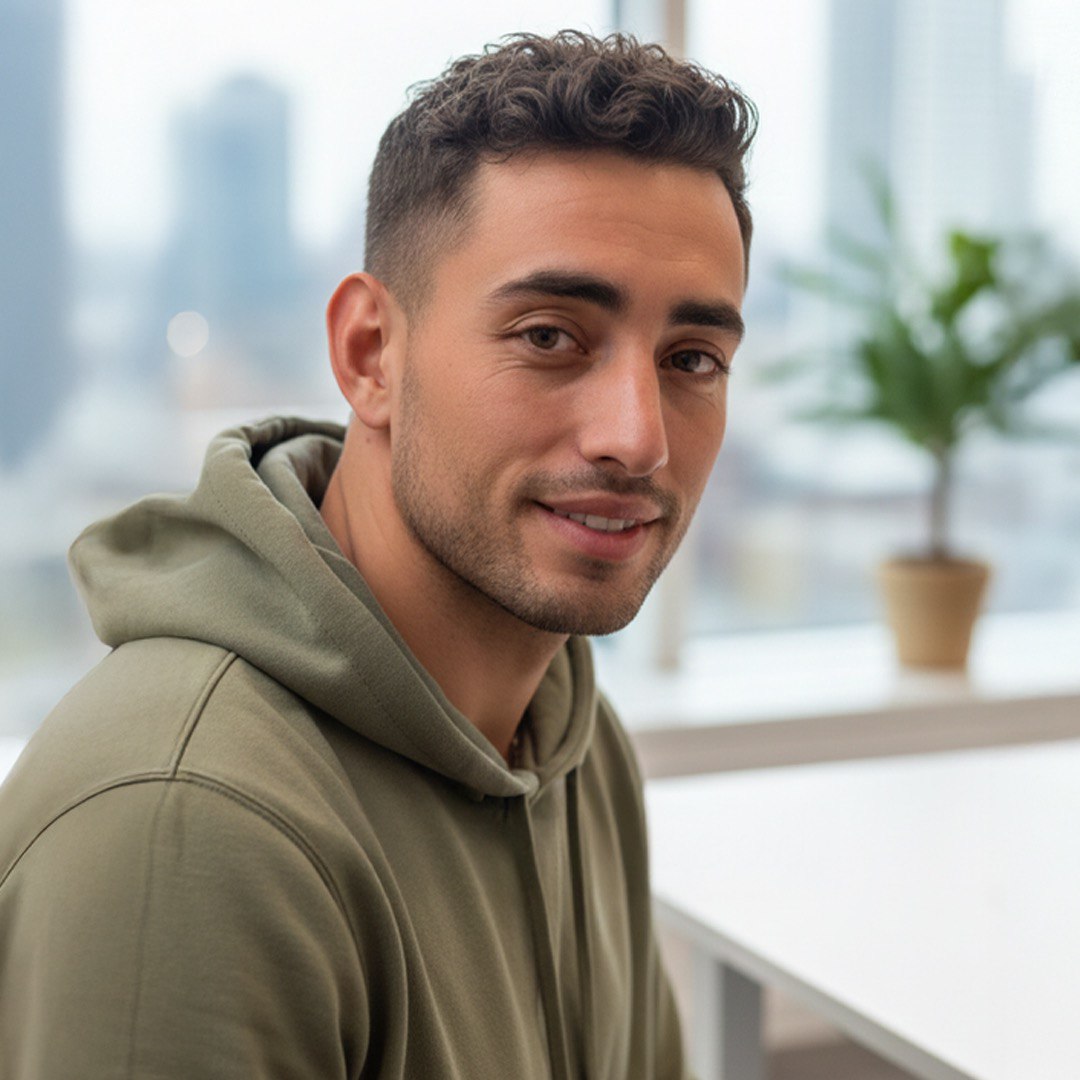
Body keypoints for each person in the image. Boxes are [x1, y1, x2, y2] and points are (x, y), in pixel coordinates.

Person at [0, 30, 755, 1080]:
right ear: (370, 354)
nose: (638, 437)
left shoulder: (573, 741)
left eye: (692, 359)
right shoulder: (186, 822)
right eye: (549, 336)